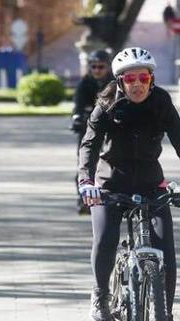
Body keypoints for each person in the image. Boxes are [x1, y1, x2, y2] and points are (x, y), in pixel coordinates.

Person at [78, 47, 180, 321]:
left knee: (166, 251)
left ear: (151, 79)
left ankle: (166, 317)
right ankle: (101, 294)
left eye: (143, 77)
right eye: (130, 78)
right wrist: (86, 182)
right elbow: (89, 145)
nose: (137, 84)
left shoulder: (161, 101)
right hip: (111, 184)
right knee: (106, 237)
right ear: (120, 81)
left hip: (151, 184)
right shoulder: (107, 103)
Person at [71, 49, 113, 214]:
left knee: (113, 164)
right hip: (88, 129)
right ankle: (83, 199)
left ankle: (111, 198)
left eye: (100, 66)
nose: (97, 70)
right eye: (93, 66)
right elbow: (78, 104)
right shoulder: (85, 83)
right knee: (85, 163)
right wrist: (77, 118)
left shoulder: (114, 83)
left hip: (110, 130)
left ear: (108, 67)